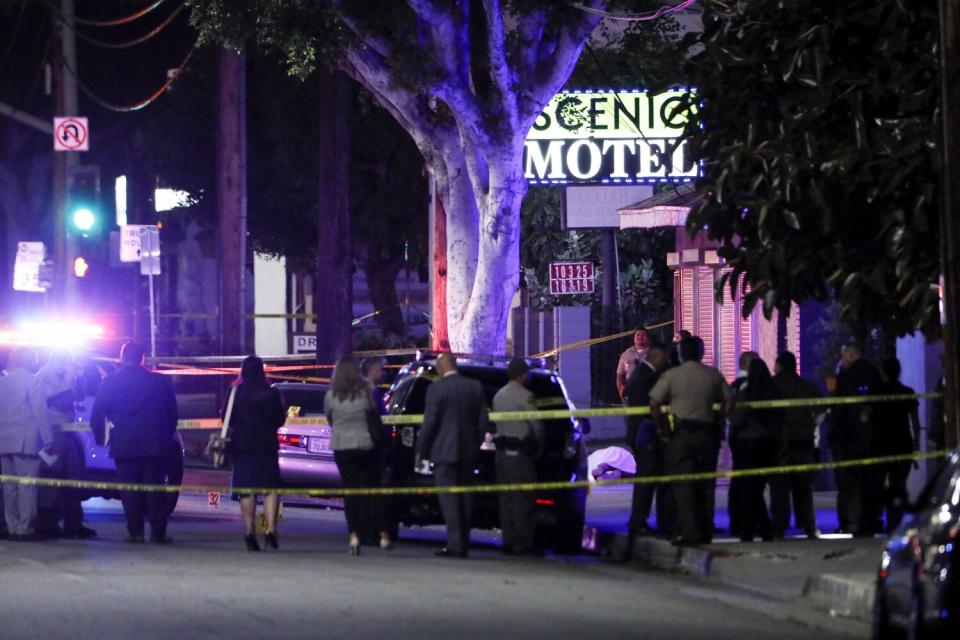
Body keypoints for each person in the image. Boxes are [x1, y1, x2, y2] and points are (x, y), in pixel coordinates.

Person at [91, 341, 178, 543]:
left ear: (122, 358)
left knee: (129, 491)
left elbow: (97, 416)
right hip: (155, 445)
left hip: (124, 445)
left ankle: (135, 532)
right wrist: (166, 435)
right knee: (155, 490)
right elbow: (172, 414)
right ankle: (158, 532)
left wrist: (102, 439)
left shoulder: (109, 383)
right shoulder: (161, 382)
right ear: (142, 358)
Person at [650, 337, 732, 545]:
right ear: (701, 353)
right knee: (706, 484)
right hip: (707, 434)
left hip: (682, 435)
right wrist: (720, 419)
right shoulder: (713, 375)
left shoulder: (672, 375)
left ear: (680, 353)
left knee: (683, 485)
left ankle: (689, 531)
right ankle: (706, 531)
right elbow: (729, 400)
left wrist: (662, 428)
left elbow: (655, 402)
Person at [416, 353, 489, 558]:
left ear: (440, 367)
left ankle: (455, 544)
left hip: (444, 453)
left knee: (448, 499)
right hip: (468, 452)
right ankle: (463, 542)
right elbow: (483, 420)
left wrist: (422, 450)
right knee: (465, 498)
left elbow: (430, 423)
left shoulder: (436, 389)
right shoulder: (474, 387)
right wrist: (476, 442)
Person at [325, 356, 393, 555]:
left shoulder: (331, 395)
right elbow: (374, 416)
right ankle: (381, 534)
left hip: (342, 448)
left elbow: (330, 420)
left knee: (351, 493)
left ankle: (354, 535)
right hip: (365, 445)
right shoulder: (367, 392)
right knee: (372, 491)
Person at [35, 348, 97, 539]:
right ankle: (46, 524)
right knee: (50, 477)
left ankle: (74, 524)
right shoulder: (43, 376)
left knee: (73, 477)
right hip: (52, 434)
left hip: (68, 433)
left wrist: (80, 377)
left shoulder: (67, 374)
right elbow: (60, 402)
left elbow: (78, 397)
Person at [227, 356, 287, 552]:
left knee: (246, 489)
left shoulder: (235, 392)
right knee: (270, 489)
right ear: (262, 371)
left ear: (243, 371)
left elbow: (226, 419)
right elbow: (280, 419)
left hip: (242, 445)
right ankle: (270, 530)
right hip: (266, 445)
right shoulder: (272, 393)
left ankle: (250, 531)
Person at [827, 341, 883, 536]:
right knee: (870, 482)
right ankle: (870, 520)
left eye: (844, 355)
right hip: (871, 439)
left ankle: (851, 521)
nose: (842, 360)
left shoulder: (847, 376)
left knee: (850, 484)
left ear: (851, 354)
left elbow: (839, 408)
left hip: (849, 439)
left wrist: (834, 433)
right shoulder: (873, 373)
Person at [492, 359, 544, 556]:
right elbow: (536, 425)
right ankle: (521, 542)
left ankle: (507, 539)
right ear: (522, 374)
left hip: (502, 453)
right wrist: (539, 444)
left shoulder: (499, 395)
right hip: (520, 454)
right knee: (523, 499)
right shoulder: (526, 396)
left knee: (506, 500)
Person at [0, 347, 52, 541]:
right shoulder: (33, 381)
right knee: (27, 485)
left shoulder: (3, 382)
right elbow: (40, 412)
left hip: (3, 441)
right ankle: (25, 528)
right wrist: (48, 439)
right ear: (30, 361)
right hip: (26, 442)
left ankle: (11, 525)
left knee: (9, 487)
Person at [623, 342, 673, 537]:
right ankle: (638, 521)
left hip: (643, 434)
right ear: (659, 357)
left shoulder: (642, 373)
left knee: (650, 480)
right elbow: (651, 405)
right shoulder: (646, 376)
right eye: (666, 358)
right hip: (646, 436)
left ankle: (646, 521)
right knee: (646, 481)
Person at [729, 359, 782, 542]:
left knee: (750, 488)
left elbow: (736, 419)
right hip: (768, 445)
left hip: (747, 444)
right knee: (757, 487)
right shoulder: (774, 393)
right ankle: (763, 528)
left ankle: (750, 529)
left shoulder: (746, 392)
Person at [771, 351, 822, 539]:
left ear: (779, 366)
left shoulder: (772, 385)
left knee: (780, 488)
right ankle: (809, 526)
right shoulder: (806, 386)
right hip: (803, 442)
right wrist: (811, 426)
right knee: (804, 489)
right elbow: (822, 410)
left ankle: (778, 527)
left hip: (779, 445)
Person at [875, 357, 920, 532]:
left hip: (881, 444)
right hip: (903, 443)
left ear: (883, 372)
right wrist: (916, 442)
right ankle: (896, 520)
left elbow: (866, 416)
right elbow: (915, 421)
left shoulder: (877, 392)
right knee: (898, 484)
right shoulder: (907, 392)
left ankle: (878, 519)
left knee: (878, 483)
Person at [727, 351, 759, 537]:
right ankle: (747, 521)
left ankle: (740, 520)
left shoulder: (734, 385)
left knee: (740, 481)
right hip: (748, 437)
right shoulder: (748, 386)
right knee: (749, 482)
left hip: (738, 437)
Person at [617, 328, 651, 400]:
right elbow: (619, 375)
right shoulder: (626, 354)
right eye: (637, 335)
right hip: (630, 394)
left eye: (643, 335)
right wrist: (621, 393)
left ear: (648, 338)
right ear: (634, 338)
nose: (640, 337)